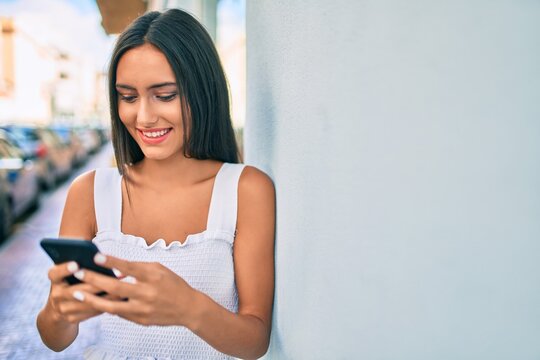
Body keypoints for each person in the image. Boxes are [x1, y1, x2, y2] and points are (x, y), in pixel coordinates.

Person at [36, 8, 275, 360]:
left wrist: (189, 307)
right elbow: (55, 339)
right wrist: (58, 310)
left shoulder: (245, 189)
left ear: (202, 91)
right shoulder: (90, 193)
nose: (144, 117)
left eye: (165, 95)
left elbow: (255, 341)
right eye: (128, 97)